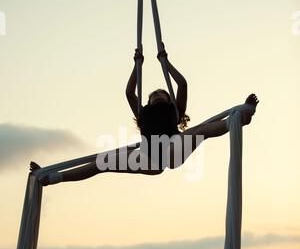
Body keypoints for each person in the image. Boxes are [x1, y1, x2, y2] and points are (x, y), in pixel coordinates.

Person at [30, 48, 259, 184]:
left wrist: (165, 62)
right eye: (154, 95)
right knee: (101, 162)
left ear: (169, 100)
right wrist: (136, 65)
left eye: (162, 93)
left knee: (201, 130)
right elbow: (130, 93)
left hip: (172, 148)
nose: (159, 95)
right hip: (150, 159)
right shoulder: (143, 113)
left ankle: (240, 118)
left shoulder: (175, 110)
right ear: (148, 101)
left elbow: (182, 84)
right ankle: (52, 177)